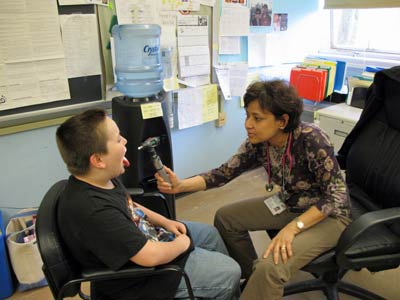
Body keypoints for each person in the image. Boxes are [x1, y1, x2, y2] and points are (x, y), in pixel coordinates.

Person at [156, 80, 352, 300]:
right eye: (247, 115)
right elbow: (223, 173)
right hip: (289, 203)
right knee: (226, 218)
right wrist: (182, 185)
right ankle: (253, 280)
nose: (248, 124)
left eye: (257, 118)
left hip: (328, 216)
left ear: (282, 121)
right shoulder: (259, 142)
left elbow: (336, 195)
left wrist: (293, 228)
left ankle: (262, 278)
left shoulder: (312, 139)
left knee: (271, 268)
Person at [55, 109, 241, 300]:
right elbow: (149, 256)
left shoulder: (100, 179)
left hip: (149, 239)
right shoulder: (95, 211)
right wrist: (182, 245)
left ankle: (227, 293)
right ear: (98, 160)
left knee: (210, 235)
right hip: (140, 281)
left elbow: (129, 205)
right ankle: (223, 289)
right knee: (229, 273)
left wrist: (165, 222)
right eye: (118, 140)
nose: (125, 141)